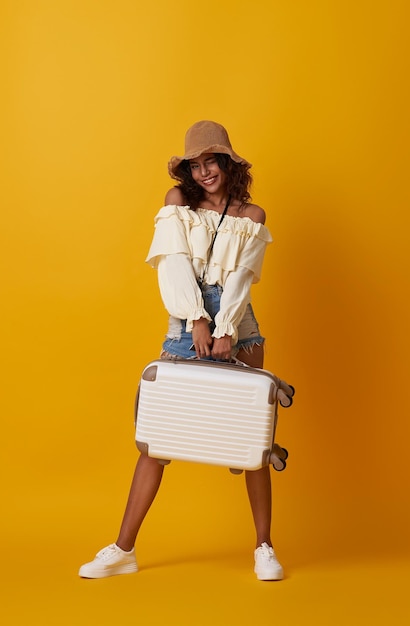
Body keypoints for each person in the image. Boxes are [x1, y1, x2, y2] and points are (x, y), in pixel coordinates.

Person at [79, 120, 284, 581]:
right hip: (184, 323)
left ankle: (264, 547)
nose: (205, 171)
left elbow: (241, 280)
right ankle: (123, 549)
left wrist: (226, 326)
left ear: (228, 163)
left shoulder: (252, 216)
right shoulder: (177, 206)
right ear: (187, 172)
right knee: (157, 440)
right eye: (196, 164)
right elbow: (172, 266)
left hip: (240, 327)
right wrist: (197, 318)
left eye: (212, 161)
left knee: (254, 441)